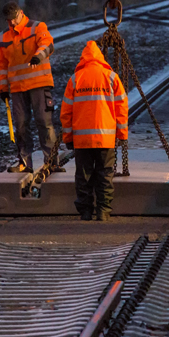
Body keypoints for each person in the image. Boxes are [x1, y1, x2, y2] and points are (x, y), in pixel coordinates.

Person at [60, 40, 129, 221]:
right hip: (105, 138)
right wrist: (121, 134)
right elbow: (122, 107)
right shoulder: (111, 77)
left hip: (82, 140)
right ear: (100, 58)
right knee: (105, 174)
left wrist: (68, 138)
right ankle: (103, 211)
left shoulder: (75, 79)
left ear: (83, 58)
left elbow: (66, 111)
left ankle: (85, 212)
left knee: (83, 176)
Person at [0, 2, 57, 171]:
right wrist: (3, 88)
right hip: (17, 88)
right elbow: (2, 65)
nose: (12, 23)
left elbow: (48, 44)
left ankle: (51, 161)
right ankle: (24, 163)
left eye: (14, 19)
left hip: (39, 83)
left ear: (21, 13)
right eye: (9, 21)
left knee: (44, 123)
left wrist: (38, 56)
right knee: (21, 126)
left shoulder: (37, 27)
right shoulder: (2, 38)